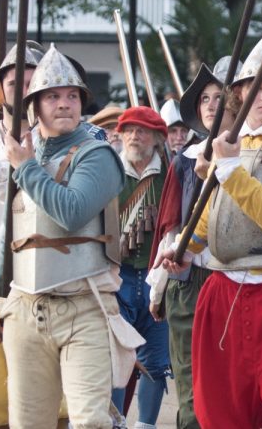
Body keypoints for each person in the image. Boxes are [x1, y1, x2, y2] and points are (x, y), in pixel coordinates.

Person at [159, 37, 262, 428]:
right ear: (239, 93)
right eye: (256, 87)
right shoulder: (230, 145)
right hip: (223, 290)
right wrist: (186, 247)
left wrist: (229, 169)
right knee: (220, 410)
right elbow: (213, 212)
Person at [0, 45, 126, 429]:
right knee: (27, 423)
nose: (64, 103)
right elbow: (13, 233)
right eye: (52, 96)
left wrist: (25, 168)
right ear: (34, 106)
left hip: (84, 306)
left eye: (72, 96)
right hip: (24, 308)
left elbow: (71, 213)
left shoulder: (96, 154)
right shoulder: (26, 154)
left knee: (90, 422)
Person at [0, 43, 62, 428]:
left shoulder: (55, 144)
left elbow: (43, 205)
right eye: (16, 83)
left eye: (33, 82)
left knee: (52, 396)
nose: (24, 90)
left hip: (42, 273)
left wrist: (1, 172)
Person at [147, 59, 226, 429]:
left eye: (219, 97)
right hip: (189, 280)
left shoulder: (257, 153)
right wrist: (158, 289)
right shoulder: (184, 160)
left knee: (228, 389)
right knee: (191, 389)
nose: (211, 105)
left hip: (236, 278)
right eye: (204, 99)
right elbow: (170, 229)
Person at [111, 106, 170, 429]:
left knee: (156, 362)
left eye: (143, 131)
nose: (135, 136)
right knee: (115, 361)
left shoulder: (170, 174)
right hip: (116, 276)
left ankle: (146, 424)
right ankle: (115, 422)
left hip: (155, 277)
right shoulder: (108, 171)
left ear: (157, 139)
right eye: (130, 130)